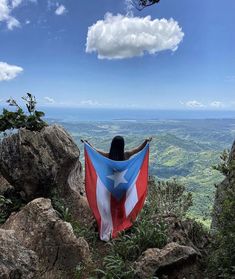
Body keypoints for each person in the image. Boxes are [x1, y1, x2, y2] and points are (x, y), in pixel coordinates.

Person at [82, 136, 152, 161]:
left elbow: (96, 151)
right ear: (122, 145)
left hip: (110, 182)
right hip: (124, 181)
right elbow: (138, 149)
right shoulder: (126, 155)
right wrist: (146, 141)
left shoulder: (109, 156)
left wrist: (88, 144)